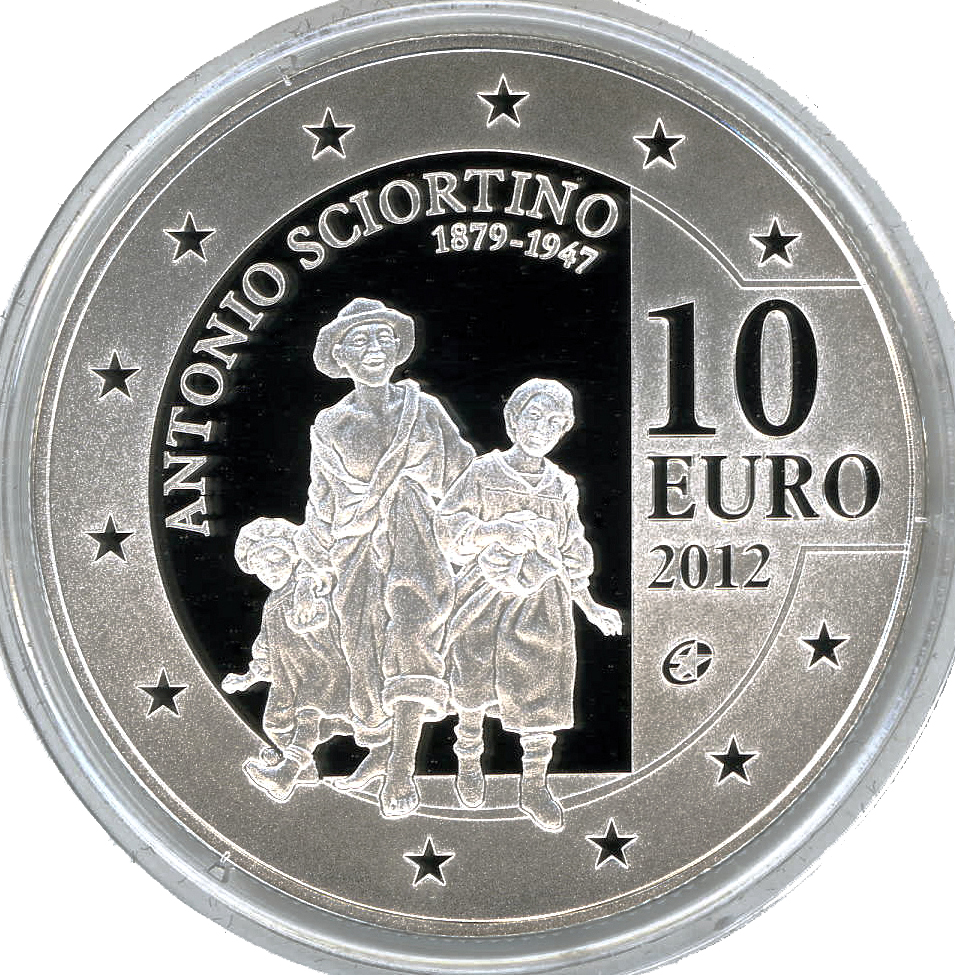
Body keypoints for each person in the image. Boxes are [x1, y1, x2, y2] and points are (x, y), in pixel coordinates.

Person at [294, 298, 475, 819]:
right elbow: (322, 500)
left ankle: (401, 768)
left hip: (418, 541)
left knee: (411, 630)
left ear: (397, 349)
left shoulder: (425, 410)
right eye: (359, 340)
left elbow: (464, 477)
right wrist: (315, 568)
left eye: (382, 338)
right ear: (340, 356)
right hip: (353, 549)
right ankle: (381, 746)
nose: (373, 348)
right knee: (362, 646)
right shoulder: (330, 425)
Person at [436, 378, 623, 832]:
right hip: (483, 594)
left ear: (564, 430)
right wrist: (495, 532)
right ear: (512, 420)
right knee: (473, 678)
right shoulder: (483, 472)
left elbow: (570, 551)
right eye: (533, 417)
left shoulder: (562, 486)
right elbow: (448, 524)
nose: (542, 429)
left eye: (554, 422)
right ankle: (468, 758)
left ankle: (534, 785)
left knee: (540, 685)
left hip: (542, 601)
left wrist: (591, 605)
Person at [222, 517, 350, 802]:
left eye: (275, 559)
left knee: (308, 713)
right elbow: (266, 646)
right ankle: (305, 770)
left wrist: (309, 590)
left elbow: (329, 583)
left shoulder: (312, 588)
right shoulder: (272, 604)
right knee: (275, 724)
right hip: (288, 678)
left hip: (323, 669)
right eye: (260, 566)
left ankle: (286, 774)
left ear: (293, 556)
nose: (269, 571)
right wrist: (248, 677)